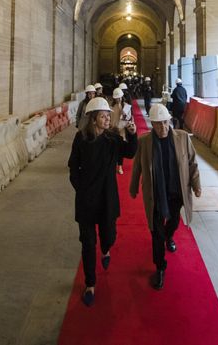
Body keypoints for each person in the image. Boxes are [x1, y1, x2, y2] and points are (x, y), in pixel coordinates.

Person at [68, 96, 139, 307]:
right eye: (103, 116)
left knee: (109, 236)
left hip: (107, 199)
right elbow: (73, 167)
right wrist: (80, 188)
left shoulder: (112, 138)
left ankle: (106, 249)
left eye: (108, 115)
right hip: (87, 201)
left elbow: (130, 152)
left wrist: (133, 136)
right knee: (88, 243)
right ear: (92, 119)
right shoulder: (81, 139)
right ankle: (90, 283)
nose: (108, 119)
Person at [129, 103, 201, 290]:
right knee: (156, 232)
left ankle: (170, 237)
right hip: (155, 195)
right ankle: (160, 267)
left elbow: (192, 163)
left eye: (165, 123)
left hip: (176, 192)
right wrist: (133, 186)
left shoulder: (182, 138)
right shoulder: (144, 142)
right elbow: (137, 166)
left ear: (170, 121)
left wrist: (196, 185)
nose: (163, 128)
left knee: (174, 221)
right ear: (152, 124)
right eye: (158, 124)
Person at [109, 88, 132, 174]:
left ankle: (120, 167)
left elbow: (129, 118)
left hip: (122, 131)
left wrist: (124, 113)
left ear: (122, 97)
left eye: (119, 98)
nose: (117, 99)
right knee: (113, 149)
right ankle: (113, 165)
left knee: (120, 150)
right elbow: (110, 118)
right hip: (113, 131)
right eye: (116, 98)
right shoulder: (112, 107)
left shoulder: (126, 106)